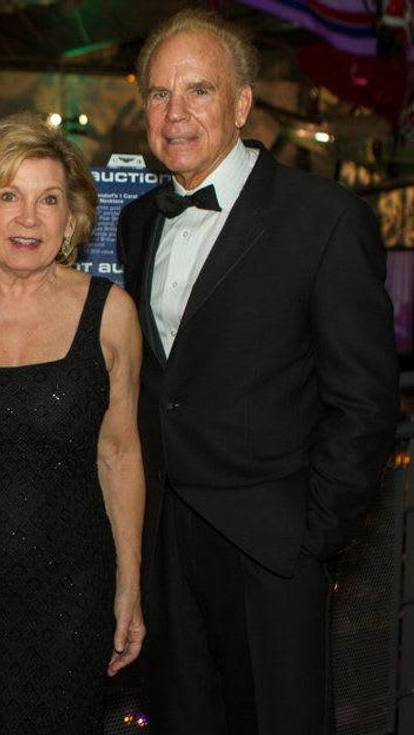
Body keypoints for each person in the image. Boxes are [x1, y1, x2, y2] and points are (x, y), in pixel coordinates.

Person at [117, 9, 398, 734]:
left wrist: (312, 539)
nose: (174, 112)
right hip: (165, 540)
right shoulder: (140, 220)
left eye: (198, 90)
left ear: (242, 104)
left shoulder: (325, 218)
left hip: (271, 546)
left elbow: (365, 400)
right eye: (158, 93)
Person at [0, 111, 146, 734]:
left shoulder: (110, 313)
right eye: (9, 196)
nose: (28, 218)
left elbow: (120, 454)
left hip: (72, 594)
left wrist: (130, 586)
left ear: (71, 218)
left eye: (48, 200)